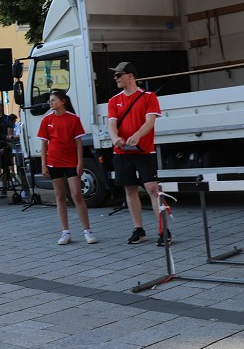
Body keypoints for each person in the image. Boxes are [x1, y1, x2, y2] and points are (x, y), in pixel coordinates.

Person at [107, 62, 164, 246]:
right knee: (129, 189)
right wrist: (115, 137)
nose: (115, 78)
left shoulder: (148, 96)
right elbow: (111, 124)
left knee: (153, 189)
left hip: (144, 150)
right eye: (115, 75)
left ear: (130, 76)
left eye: (119, 75)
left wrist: (137, 135)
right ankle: (138, 229)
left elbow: (150, 121)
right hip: (122, 151)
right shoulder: (113, 101)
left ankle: (163, 230)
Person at [39, 90, 97, 245]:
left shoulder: (73, 119)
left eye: (53, 100)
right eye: (50, 101)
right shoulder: (46, 120)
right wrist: (44, 165)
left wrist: (80, 163)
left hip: (71, 161)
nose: (50, 103)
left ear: (62, 101)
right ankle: (65, 232)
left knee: (77, 194)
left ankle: (87, 231)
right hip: (54, 161)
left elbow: (79, 144)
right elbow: (44, 144)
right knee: (59, 196)